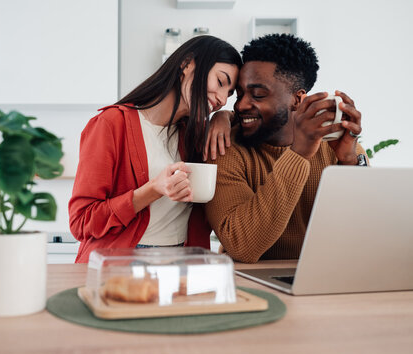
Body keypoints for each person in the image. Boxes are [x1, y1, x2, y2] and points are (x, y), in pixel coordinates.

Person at [69, 35, 242, 263]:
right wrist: (153, 189)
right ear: (187, 64)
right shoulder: (111, 124)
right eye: (221, 82)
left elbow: (248, 118)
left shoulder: (198, 135)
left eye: (230, 94)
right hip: (121, 265)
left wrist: (223, 117)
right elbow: (81, 221)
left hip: (183, 265)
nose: (222, 99)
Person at [205, 33, 368, 264]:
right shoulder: (226, 148)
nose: (240, 105)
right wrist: (298, 154)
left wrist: (350, 162)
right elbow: (242, 246)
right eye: (239, 94)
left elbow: (363, 231)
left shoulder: (337, 147)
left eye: (258, 94)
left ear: (297, 99)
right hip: (253, 281)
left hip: (324, 274)